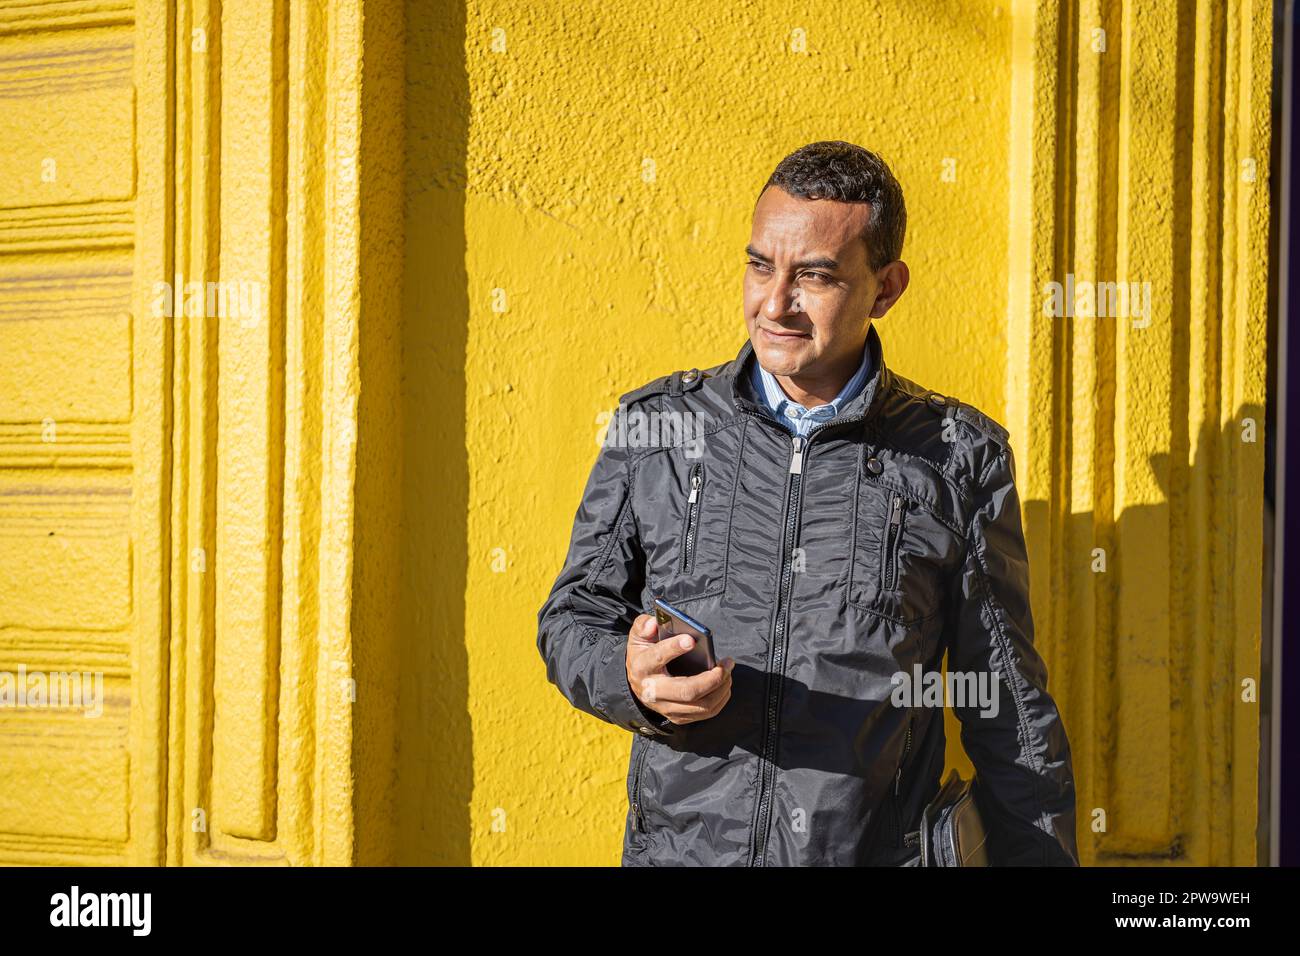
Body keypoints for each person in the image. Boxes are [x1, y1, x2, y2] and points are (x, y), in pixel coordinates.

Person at [536, 140, 1079, 866]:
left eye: (814, 276)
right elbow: (572, 617)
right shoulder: (656, 428)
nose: (774, 303)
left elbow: (1007, 705)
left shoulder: (960, 456)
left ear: (886, 289)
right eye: (760, 265)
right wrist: (628, 679)